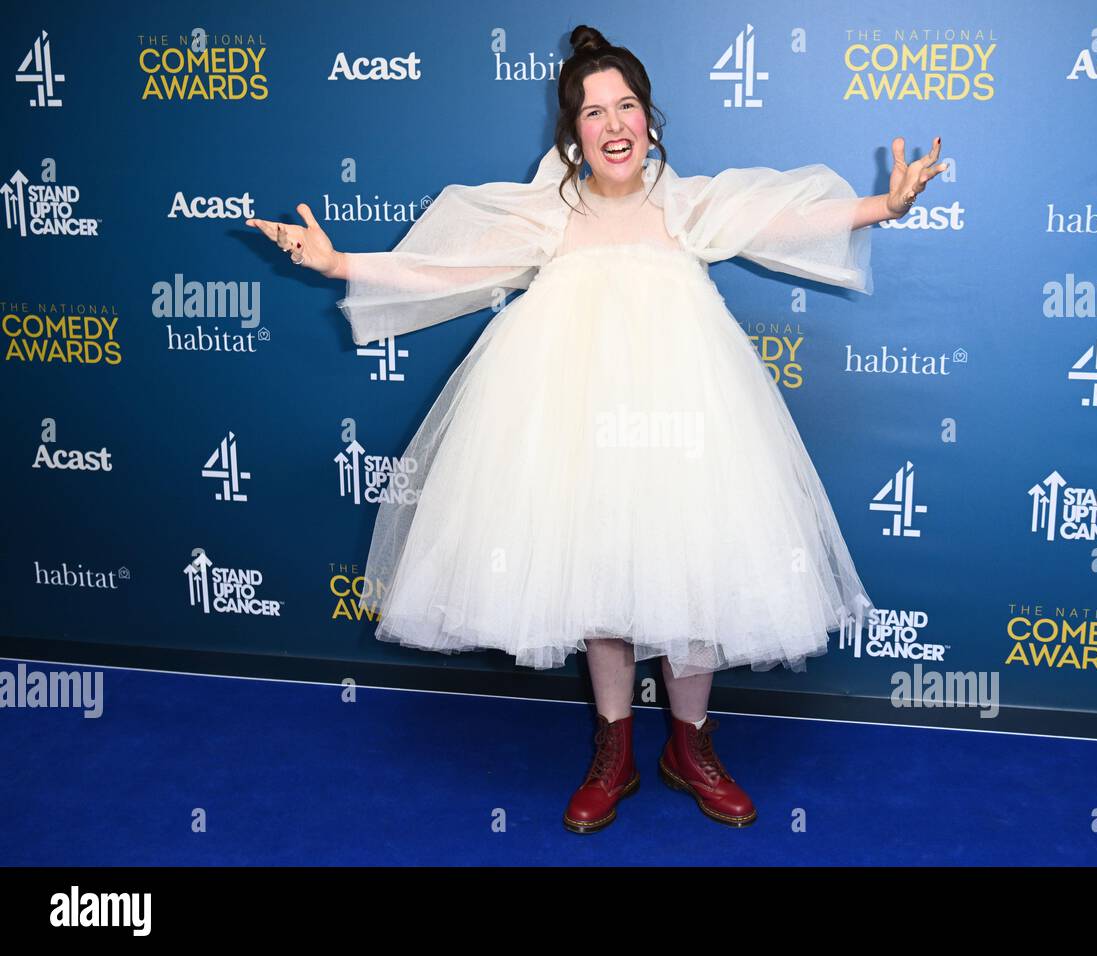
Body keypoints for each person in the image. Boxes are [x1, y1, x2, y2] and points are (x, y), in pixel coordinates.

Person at [246, 24, 946, 834]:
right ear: (570, 134)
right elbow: (442, 270)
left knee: (695, 570)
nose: (614, 124)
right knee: (598, 573)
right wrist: (340, 265)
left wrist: (885, 207)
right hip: (578, 425)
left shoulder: (688, 207)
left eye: (628, 106)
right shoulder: (549, 216)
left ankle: (691, 745)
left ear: (650, 121)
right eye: (592, 111)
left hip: (688, 422)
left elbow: (783, 224)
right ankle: (613, 747)